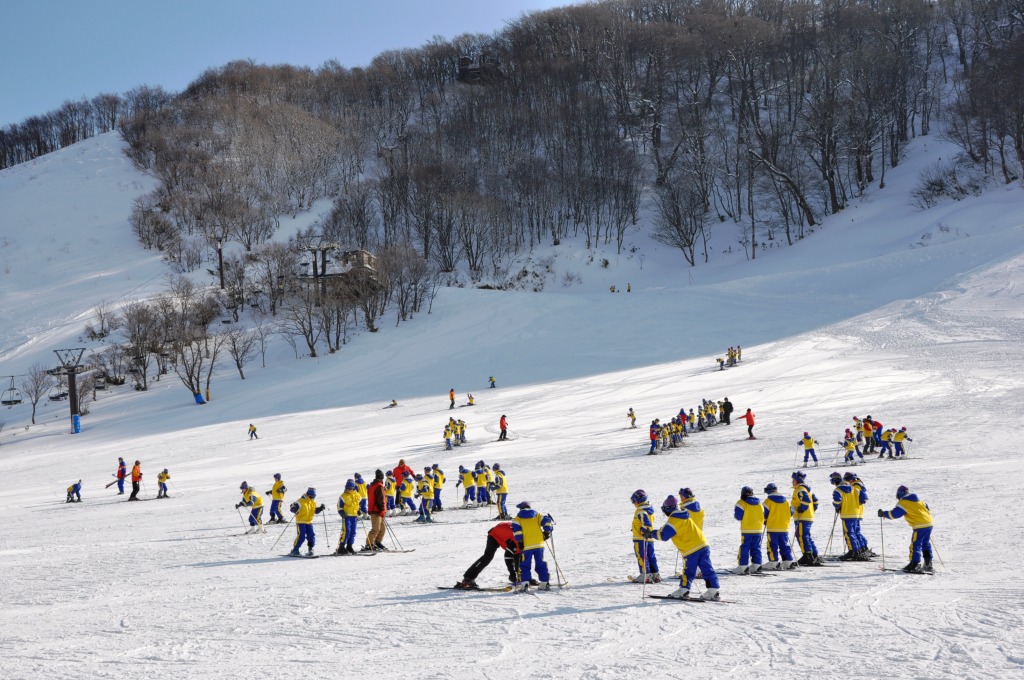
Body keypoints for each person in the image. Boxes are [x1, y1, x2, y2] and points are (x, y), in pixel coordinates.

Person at [646, 495, 720, 600]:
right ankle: (713, 590)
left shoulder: (674, 519)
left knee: (688, 570)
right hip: (703, 544)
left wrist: (650, 534)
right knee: (707, 567)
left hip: (691, 549)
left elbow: (663, 535)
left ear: (667, 509)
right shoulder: (684, 514)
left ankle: (683, 589)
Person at [879, 485, 934, 572]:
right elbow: (926, 507)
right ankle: (928, 564)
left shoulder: (904, 502)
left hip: (919, 525)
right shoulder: (919, 500)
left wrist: (883, 514)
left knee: (916, 544)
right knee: (925, 543)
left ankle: (915, 564)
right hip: (929, 523)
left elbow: (895, 514)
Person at [455, 521, 521, 589]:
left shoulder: (525, 540)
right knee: (488, 556)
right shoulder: (517, 540)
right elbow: (508, 557)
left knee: (518, 556)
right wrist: (512, 574)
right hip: (494, 534)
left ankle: (520, 577)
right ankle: (468, 578)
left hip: (505, 533)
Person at [510, 502, 554, 591]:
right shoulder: (538, 515)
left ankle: (525, 583)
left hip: (526, 545)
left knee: (525, 564)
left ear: (520, 509)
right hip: (539, 544)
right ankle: (544, 582)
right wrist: (546, 532)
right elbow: (548, 521)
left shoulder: (517, 519)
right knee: (540, 563)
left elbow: (517, 532)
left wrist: (520, 541)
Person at [832, 471, 870, 560]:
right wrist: (856, 504)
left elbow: (837, 501)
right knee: (855, 532)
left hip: (846, 513)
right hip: (856, 513)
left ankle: (853, 551)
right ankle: (859, 549)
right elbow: (864, 498)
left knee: (849, 533)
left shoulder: (838, 490)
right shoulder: (854, 488)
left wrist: (838, 507)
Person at [791, 471, 823, 566]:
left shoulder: (800, 489)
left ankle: (807, 555)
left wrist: (802, 509)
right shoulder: (806, 489)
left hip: (802, 517)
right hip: (808, 516)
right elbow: (815, 501)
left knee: (801, 535)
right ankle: (814, 553)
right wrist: (812, 510)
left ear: (797, 480)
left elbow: (806, 500)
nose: (792, 482)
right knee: (806, 535)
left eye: (793, 480)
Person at [762, 483, 796, 570]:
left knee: (772, 544)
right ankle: (788, 561)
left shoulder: (767, 501)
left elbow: (764, 514)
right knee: (784, 544)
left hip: (773, 526)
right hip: (784, 526)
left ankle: (773, 562)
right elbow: (791, 511)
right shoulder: (786, 501)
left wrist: (765, 521)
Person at [630, 490, 661, 583]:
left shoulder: (640, 511)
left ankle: (645, 575)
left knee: (642, 556)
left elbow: (646, 523)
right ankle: (655, 574)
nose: (633, 503)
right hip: (649, 538)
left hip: (641, 538)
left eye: (634, 501)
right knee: (651, 556)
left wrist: (643, 530)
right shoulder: (649, 510)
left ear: (639, 500)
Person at [733, 486, 764, 574]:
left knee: (745, 547)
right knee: (756, 547)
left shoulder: (741, 503)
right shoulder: (759, 503)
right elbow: (763, 514)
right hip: (758, 529)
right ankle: (757, 564)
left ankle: (743, 566)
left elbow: (738, 516)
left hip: (747, 529)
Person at [289, 488, 325, 556]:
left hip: (309, 522)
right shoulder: (300, 501)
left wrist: (320, 509)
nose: (313, 498)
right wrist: (294, 509)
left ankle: (310, 549)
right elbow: (291, 507)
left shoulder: (313, 502)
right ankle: (295, 549)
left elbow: (314, 511)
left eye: (314, 496)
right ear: (308, 494)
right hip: (301, 521)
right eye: (311, 496)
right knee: (301, 536)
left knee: (311, 536)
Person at [335, 480, 361, 555]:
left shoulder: (357, 495)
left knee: (353, 532)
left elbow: (357, 504)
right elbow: (339, 507)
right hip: (347, 517)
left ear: (353, 488)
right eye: (347, 488)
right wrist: (342, 513)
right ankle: (341, 547)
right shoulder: (343, 496)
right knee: (346, 531)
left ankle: (349, 546)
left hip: (354, 516)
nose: (348, 490)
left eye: (350, 488)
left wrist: (358, 510)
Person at [365, 470, 388, 551]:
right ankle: (369, 544)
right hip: (376, 510)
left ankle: (377, 542)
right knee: (376, 529)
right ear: (382, 477)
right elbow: (380, 499)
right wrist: (382, 509)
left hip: (376, 510)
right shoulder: (379, 486)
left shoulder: (373, 485)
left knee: (382, 529)